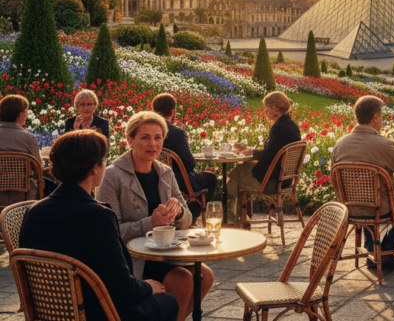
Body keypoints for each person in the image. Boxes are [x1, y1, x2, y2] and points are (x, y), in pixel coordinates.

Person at [21, 130, 179, 321]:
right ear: (95, 167)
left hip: (49, 310)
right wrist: (148, 287)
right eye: (104, 160)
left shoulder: (34, 211)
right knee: (169, 302)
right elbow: (122, 289)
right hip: (98, 311)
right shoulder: (98, 216)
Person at [96, 111, 214, 321]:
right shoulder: (112, 176)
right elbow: (110, 233)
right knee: (183, 279)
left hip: (167, 250)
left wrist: (177, 213)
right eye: (145, 137)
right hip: (131, 256)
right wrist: (150, 222)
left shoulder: (165, 172)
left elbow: (187, 219)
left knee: (206, 277)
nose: (153, 143)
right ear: (130, 140)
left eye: (158, 137)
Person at [331, 95, 394, 270]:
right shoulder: (383, 144)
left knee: (368, 198)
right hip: (379, 207)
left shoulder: (340, 144)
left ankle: (371, 249)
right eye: (382, 116)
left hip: (348, 206)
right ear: (375, 117)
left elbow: (334, 178)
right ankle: (386, 249)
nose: (382, 120)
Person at [228, 91, 301, 225]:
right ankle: (244, 218)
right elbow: (274, 152)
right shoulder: (292, 126)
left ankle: (233, 221)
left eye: (267, 107)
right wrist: (248, 150)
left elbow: (268, 155)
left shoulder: (279, 127)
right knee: (241, 171)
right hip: (285, 179)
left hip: (271, 181)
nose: (265, 110)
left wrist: (251, 152)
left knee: (233, 176)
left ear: (276, 108)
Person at [152, 93, 219, 221]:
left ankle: (184, 213)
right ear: (172, 112)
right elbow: (189, 164)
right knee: (210, 178)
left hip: (153, 177)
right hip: (178, 180)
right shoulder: (177, 133)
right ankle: (191, 214)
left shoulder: (147, 131)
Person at [0, 94, 43, 203]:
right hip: (23, 197)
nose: (27, 114)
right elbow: (38, 167)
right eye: (26, 111)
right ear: (20, 114)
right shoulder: (28, 138)